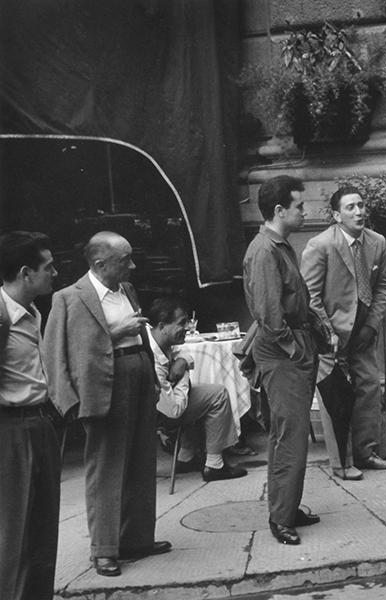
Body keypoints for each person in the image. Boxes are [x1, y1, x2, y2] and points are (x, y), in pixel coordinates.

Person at [43, 231, 170, 576]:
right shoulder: (68, 298)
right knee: (106, 468)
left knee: (142, 460)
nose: (132, 265)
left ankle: (138, 539)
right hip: (103, 385)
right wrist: (67, 403)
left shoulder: (126, 290)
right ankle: (104, 549)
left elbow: (142, 336)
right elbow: (54, 354)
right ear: (100, 263)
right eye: (124, 259)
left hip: (138, 376)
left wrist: (154, 379)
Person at [242, 175, 320, 546]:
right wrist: (296, 349)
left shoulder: (278, 245)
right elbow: (271, 315)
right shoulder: (264, 251)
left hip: (292, 349)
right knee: (289, 437)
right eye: (299, 206)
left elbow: (293, 298)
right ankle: (281, 518)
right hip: (283, 354)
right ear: (279, 210)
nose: (305, 212)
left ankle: (287, 507)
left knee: (291, 435)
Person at [301, 186, 386, 480]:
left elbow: (383, 286)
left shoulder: (377, 242)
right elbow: (310, 296)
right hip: (330, 335)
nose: (359, 212)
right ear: (336, 215)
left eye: (361, 205)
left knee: (368, 386)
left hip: (363, 330)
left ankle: (366, 452)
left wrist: (371, 325)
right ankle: (342, 463)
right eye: (351, 207)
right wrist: (328, 333)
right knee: (335, 398)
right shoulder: (321, 245)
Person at [0, 232, 59, 599]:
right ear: (25, 273)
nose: (55, 272)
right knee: (14, 536)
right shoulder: (2, 317)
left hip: (39, 424)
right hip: (11, 432)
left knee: (42, 532)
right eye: (48, 267)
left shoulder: (32, 313)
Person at [146, 297, 248, 481]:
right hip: (159, 417)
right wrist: (183, 372)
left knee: (198, 393)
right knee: (217, 395)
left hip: (163, 405)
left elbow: (183, 354)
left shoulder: (156, 338)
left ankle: (187, 456)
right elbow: (174, 411)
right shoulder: (153, 359)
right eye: (181, 323)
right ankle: (215, 465)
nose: (188, 327)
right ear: (162, 326)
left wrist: (182, 361)